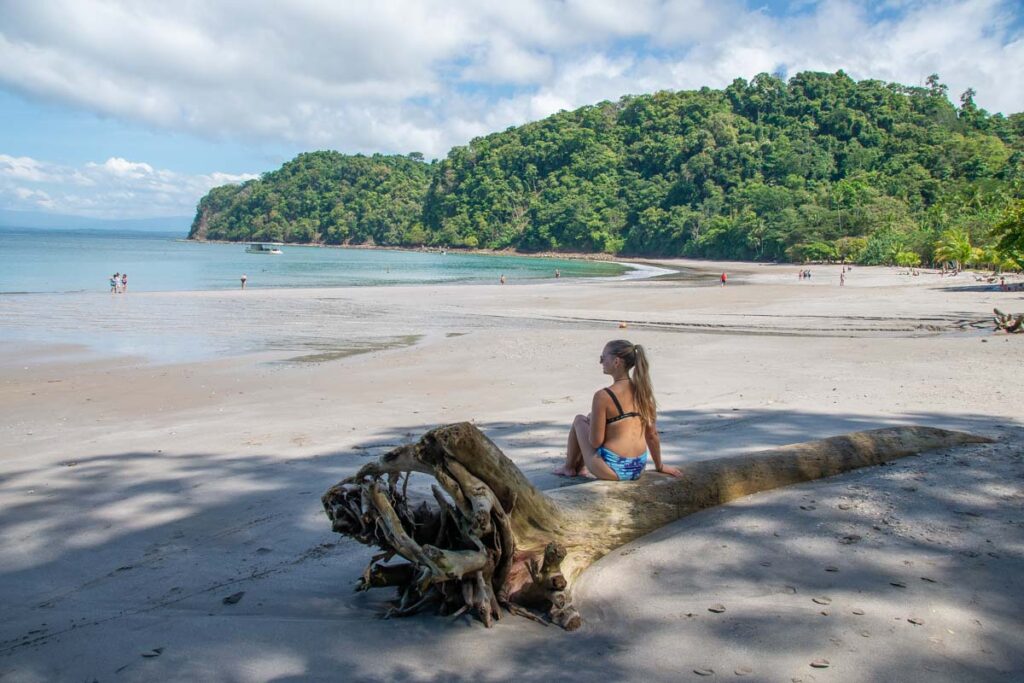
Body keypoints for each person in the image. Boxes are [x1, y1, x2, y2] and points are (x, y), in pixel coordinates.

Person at [553, 340, 683, 481]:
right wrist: (660, 466)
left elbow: (595, 442)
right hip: (638, 468)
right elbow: (652, 435)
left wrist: (593, 424)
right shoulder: (643, 393)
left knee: (579, 420)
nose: (600, 362)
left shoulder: (603, 396)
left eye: (603, 358)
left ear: (616, 362)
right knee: (595, 419)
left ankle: (569, 467)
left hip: (613, 469)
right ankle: (578, 468)